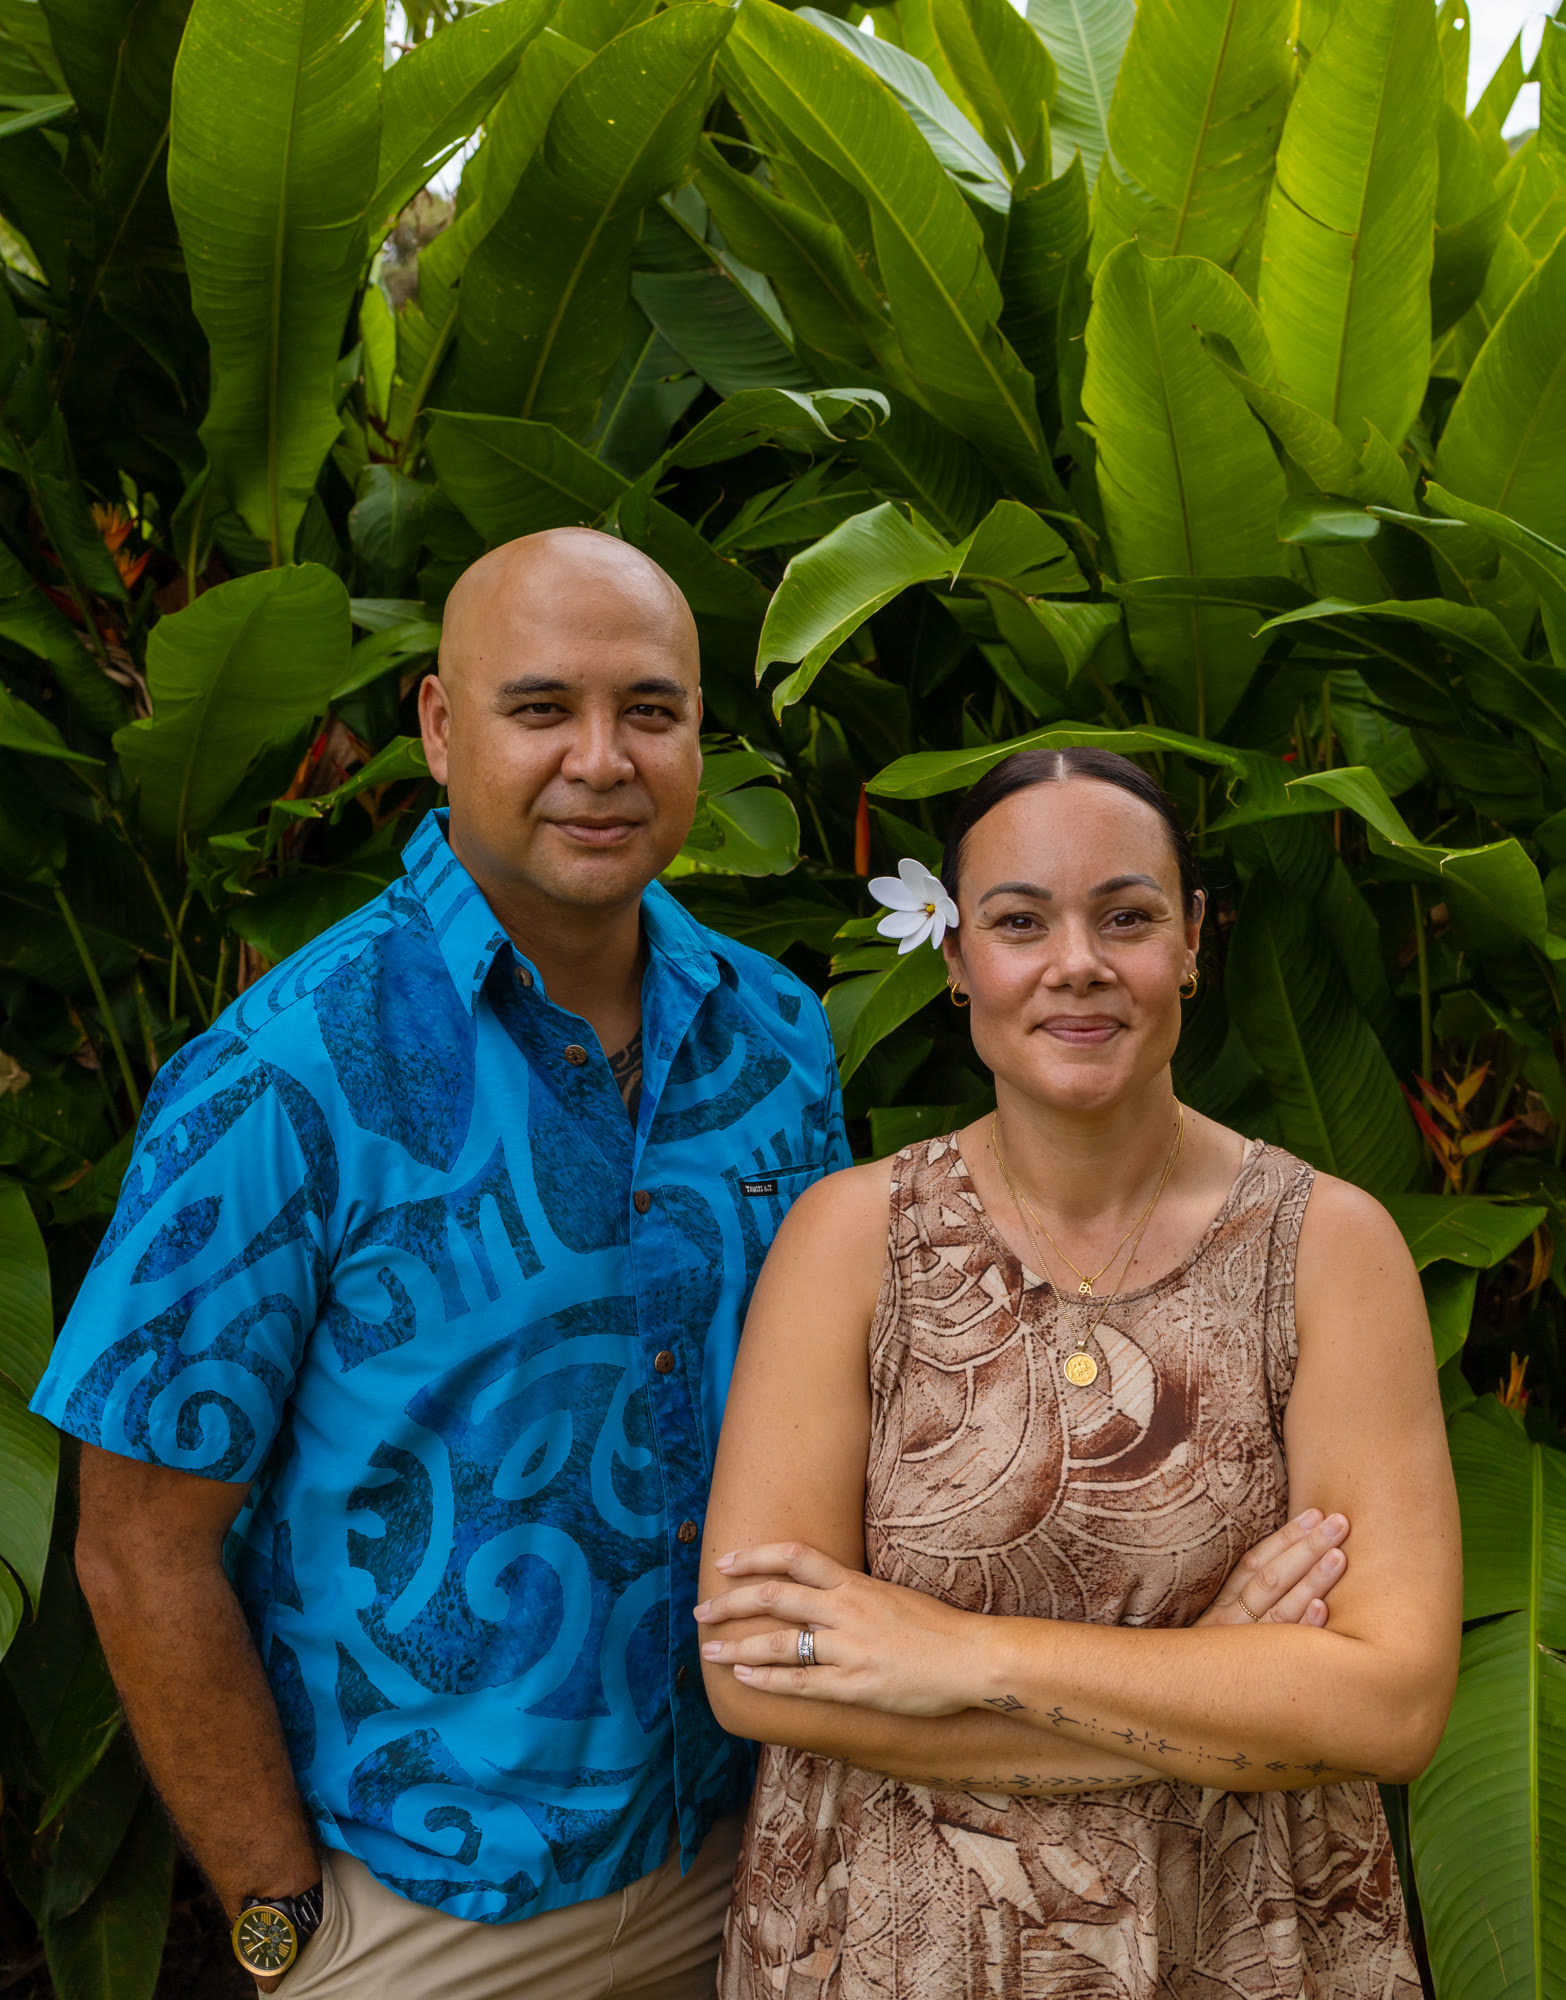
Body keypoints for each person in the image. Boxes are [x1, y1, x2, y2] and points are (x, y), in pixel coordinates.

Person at [30, 529, 850, 1999]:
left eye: (649, 710)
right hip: (428, 1916)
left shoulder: (777, 1035)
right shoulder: (287, 1072)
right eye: (541, 708)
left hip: (755, 1861)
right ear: (439, 725)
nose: (600, 760)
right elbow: (136, 1543)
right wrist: (283, 1928)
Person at [694, 747, 1461, 1998]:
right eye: (1018, 921)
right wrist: (1216, 1681)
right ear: (955, 957)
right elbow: (756, 1665)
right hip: (898, 1945)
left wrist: (964, 1655)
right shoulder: (851, 1240)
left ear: (1193, 939)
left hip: (1241, 1937)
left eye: (1126, 916)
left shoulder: (1328, 1246)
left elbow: (1387, 1705)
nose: (1077, 962)